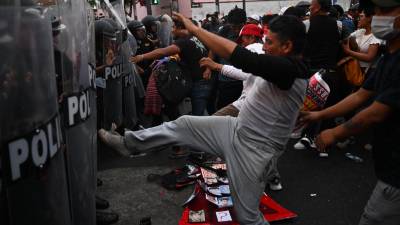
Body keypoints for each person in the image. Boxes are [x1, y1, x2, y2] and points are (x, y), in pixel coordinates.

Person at [99, 14, 309, 225]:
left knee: (248, 218)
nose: (264, 47)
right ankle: (129, 144)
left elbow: (241, 57)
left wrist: (196, 30)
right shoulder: (284, 66)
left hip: (254, 149)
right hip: (236, 127)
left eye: (269, 42)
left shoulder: (290, 70)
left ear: (287, 46)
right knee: (184, 125)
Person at [300, 0, 400, 224]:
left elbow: (376, 112)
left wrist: (334, 133)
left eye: (385, 11)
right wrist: (319, 115)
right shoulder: (388, 58)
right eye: (375, 12)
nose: (377, 17)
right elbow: (360, 95)